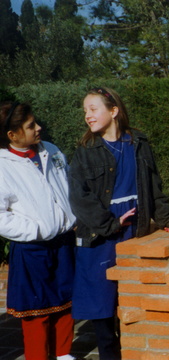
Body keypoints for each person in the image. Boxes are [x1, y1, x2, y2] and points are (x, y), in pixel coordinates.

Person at [68, 87, 169, 360]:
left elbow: (154, 186)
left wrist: (167, 218)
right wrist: (109, 223)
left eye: (93, 109)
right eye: (85, 111)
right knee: (101, 301)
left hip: (134, 228)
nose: (88, 116)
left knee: (130, 295)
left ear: (114, 111)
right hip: (101, 232)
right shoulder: (85, 151)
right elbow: (78, 197)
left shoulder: (138, 144)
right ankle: (110, 354)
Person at [0, 101, 77, 360]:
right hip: (32, 248)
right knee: (37, 311)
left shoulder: (51, 151)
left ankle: (64, 354)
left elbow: (67, 188)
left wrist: (72, 217)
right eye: (31, 125)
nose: (39, 127)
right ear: (12, 135)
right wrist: (36, 230)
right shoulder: (2, 166)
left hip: (64, 242)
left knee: (66, 302)